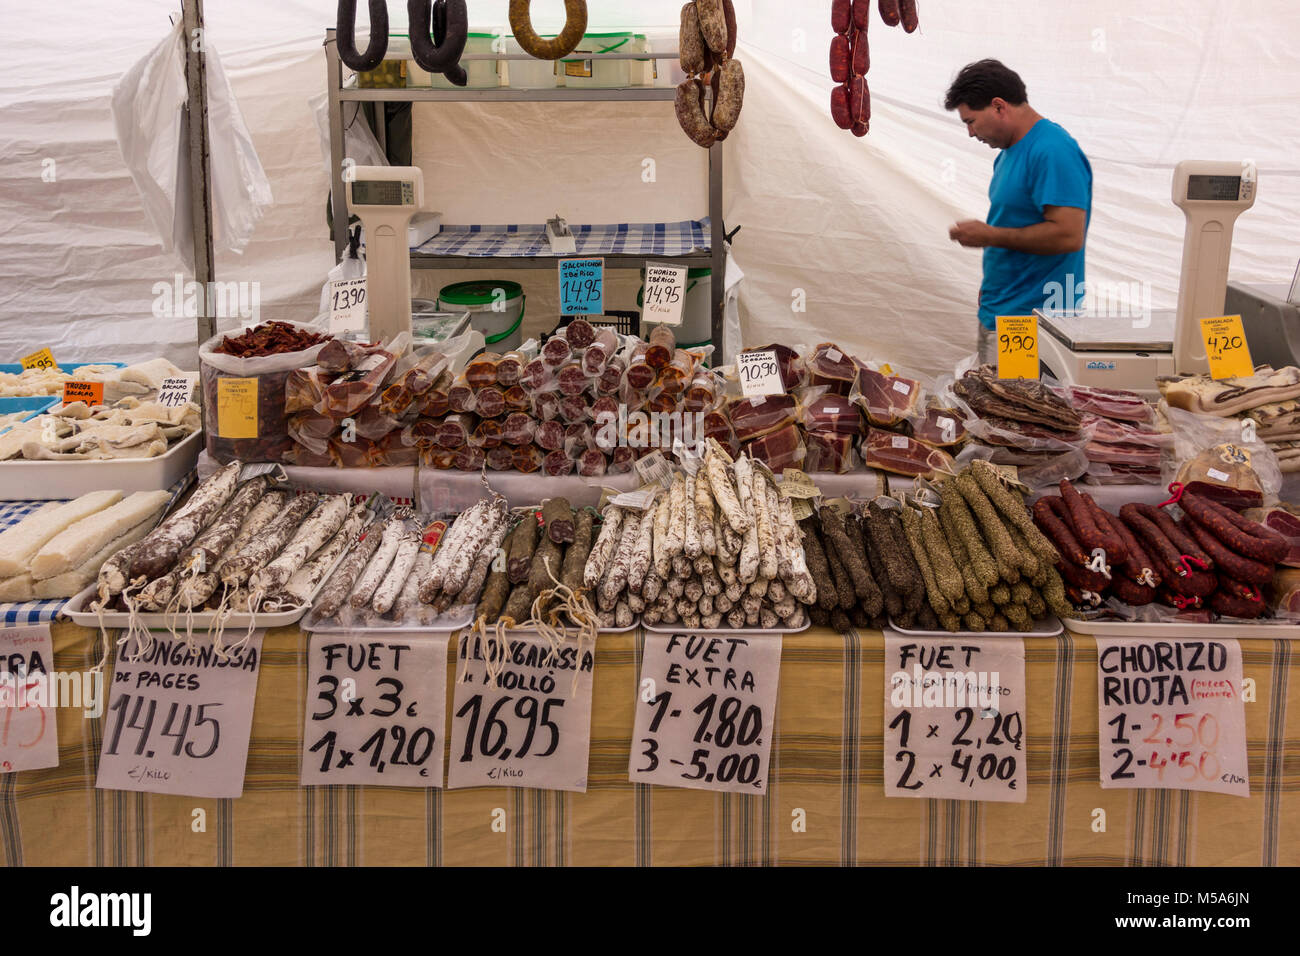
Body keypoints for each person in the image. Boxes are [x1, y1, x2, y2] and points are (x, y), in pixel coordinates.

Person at [944, 59, 1092, 365]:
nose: (971, 133)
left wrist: (989, 235)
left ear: (999, 106)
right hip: (1005, 311)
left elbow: (1068, 235)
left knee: (1014, 409)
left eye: (970, 121)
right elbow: (1018, 224)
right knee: (992, 406)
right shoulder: (1010, 153)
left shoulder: (1052, 150)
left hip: (1033, 321)